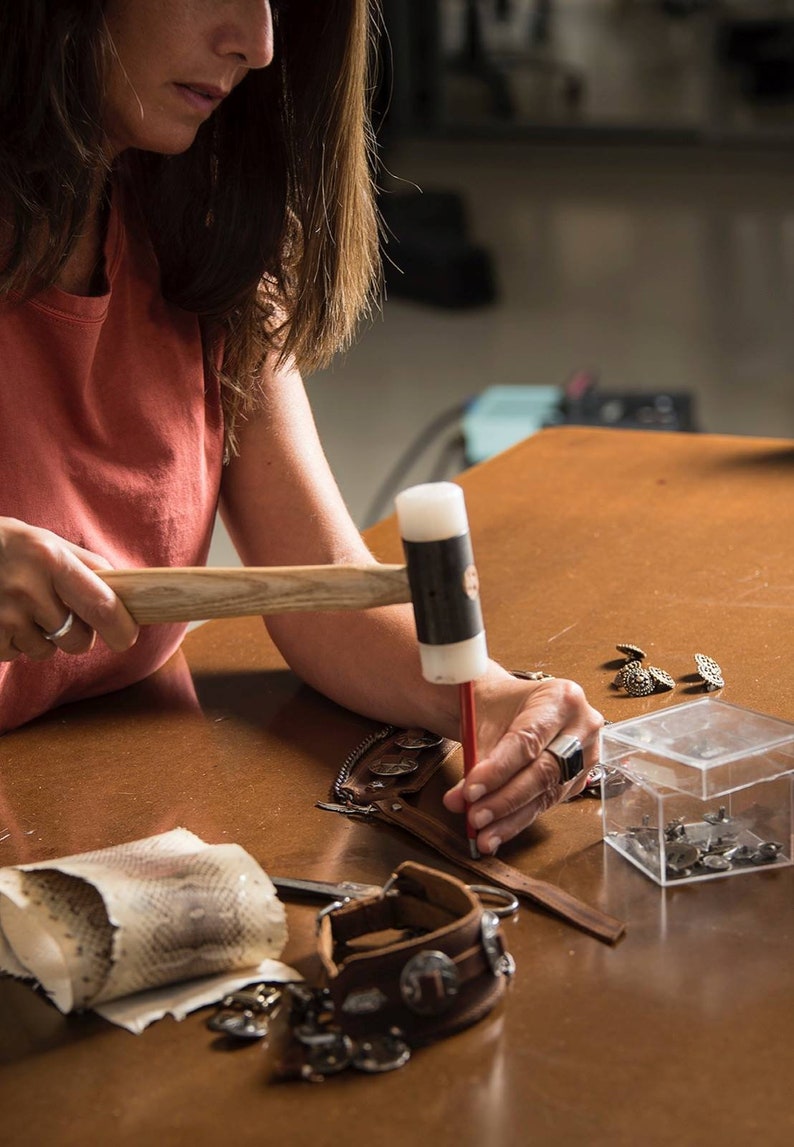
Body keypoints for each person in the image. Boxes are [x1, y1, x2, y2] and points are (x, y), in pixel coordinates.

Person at [0, 0, 602, 856]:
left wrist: (490, 697)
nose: (259, 43)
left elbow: (330, 601)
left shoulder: (202, 227)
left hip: (121, 812)